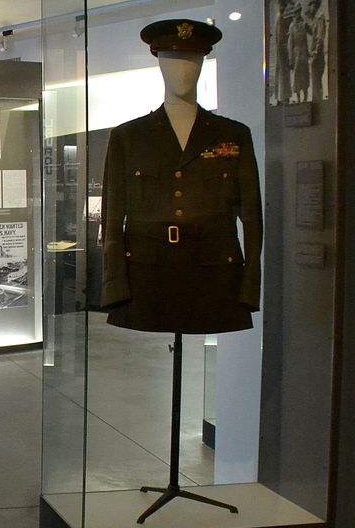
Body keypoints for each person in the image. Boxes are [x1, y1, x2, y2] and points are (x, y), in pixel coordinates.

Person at [100, 18, 263, 334]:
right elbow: (112, 220)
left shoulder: (233, 135)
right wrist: (115, 288)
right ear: (158, 62)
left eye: (192, 59)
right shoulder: (128, 137)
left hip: (215, 280)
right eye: (172, 59)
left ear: (203, 62)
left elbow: (253, 218)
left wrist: (248, 290)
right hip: (147, 279)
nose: (183, 70)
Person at [307, 0, 327, 102]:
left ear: (316, 5)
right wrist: (307, 28)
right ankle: (317, 102)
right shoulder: (316, 18)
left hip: (317, 56)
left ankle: (318, 103)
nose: (311, 7)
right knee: (315, 82)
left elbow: (319, 38)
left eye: (312, 5)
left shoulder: (319, 18)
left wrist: (315, 53)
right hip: (316, 55)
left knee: (316, 82)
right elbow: (314, 34)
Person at [289, 4, 311, 103]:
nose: (297, 14)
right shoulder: (292, 26)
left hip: (303, 54)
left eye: (298, 11)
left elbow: (310, 34)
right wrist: (291, 59)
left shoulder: (304, 23)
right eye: (295, 12)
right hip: (296, 53)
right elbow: (290, 43)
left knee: (305, 77)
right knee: (297, 78)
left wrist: (308, 52)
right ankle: (298, 99)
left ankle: (305, 98)